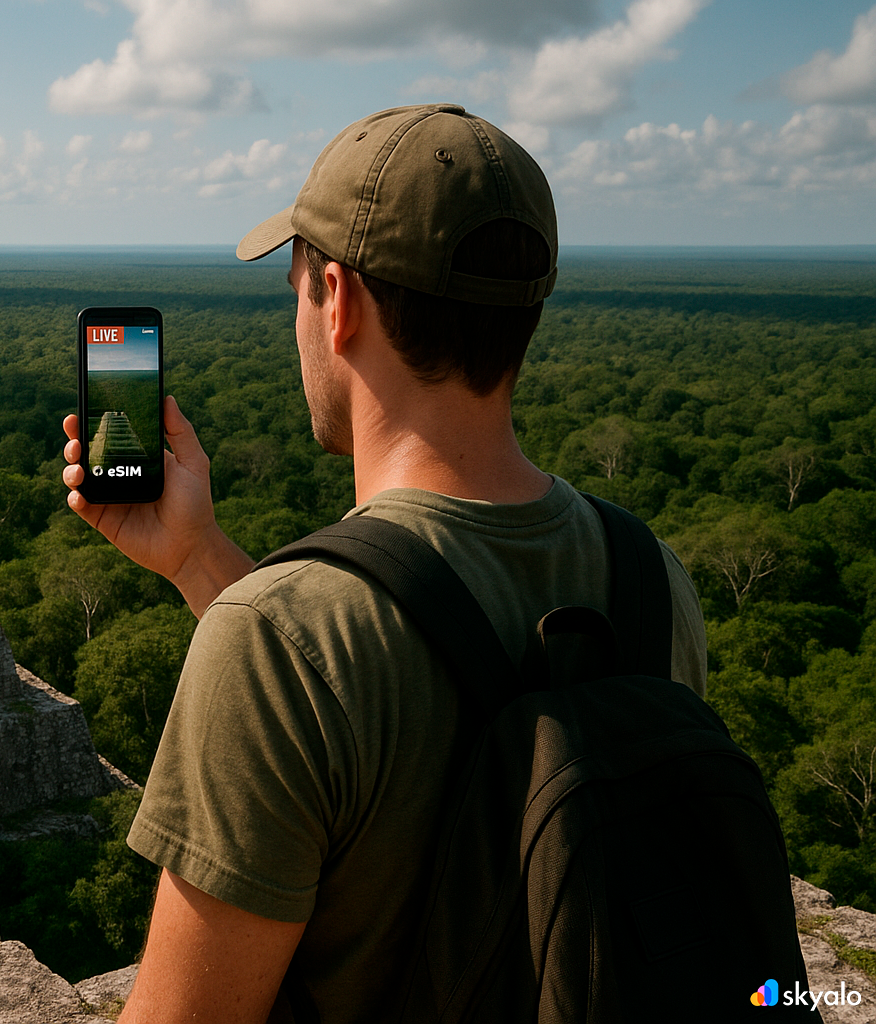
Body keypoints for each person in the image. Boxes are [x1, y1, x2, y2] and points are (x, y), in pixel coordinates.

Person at [60, 103, 708, 1023]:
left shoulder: (274, 646)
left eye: (297, 290)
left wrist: (238, 603)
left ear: (341, 302)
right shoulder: (654, 580)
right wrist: (199, 556)